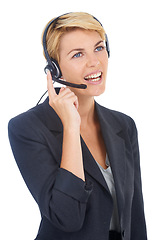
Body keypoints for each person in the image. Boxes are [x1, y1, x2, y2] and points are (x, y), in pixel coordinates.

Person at [8, 12, 147, 240]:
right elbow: (66, 217)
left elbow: (135, 216)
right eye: (78, 54)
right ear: (55, 69)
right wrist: (71, 128)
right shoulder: (26, 128)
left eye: (99, 48)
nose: (95, 62)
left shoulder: (124, 125)